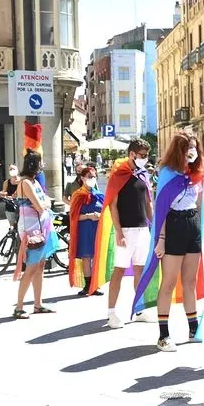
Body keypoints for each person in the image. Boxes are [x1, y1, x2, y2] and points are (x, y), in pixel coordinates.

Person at [144, 133, 204, 352]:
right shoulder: (167, 174)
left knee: (190, 281)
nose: (193, 151)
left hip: (193, 225)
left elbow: (200, 204)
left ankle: (193, 329)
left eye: (195, 148)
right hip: (173, 227)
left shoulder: (197, 174)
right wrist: (160, 240)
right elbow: (161, 209)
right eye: (189, 147)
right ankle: (163, 335)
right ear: (179, 150)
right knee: (169, 282)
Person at [94, 139, 154, 328]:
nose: (145, 159)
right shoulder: (118, 175)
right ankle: (111, 313)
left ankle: (139, 308)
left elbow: (148, 202)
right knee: (119, 271)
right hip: (125, 230)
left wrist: (154, 225)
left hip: (142, 229)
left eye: (146, 155)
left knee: (139, 269)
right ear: (132, 154)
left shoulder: (144, 174)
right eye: (142, 155)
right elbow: (113, 206)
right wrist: (119, 232)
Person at [12, 150, 57, 318]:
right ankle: (19, 307)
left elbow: (44, 203)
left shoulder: (33, 182)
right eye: (40, 162)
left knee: (40, 267)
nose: (42, 166)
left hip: (40, 227)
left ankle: (38, 304)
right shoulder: (26, 183)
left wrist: (44, 203)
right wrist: (45, 203)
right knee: (31, 269)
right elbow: (41, 205)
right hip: (32, 230)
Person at [69, 166, 104, 297]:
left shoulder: (100, 195)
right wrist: (89, 216)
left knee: (96, 257)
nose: (92, 179)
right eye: (89, 177)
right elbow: (73, 217)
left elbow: (107, 213)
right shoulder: (77, 195)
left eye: (94, 177)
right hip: (83, 231)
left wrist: (100, 216)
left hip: (97, 230)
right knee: (86, 257)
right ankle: (88, 285)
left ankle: (95, 285)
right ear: (82, 178)